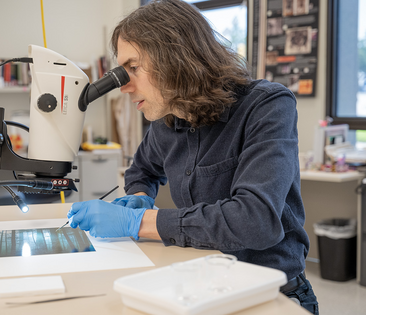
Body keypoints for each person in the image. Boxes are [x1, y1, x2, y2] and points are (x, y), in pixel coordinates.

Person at [67, 0, 319, 313]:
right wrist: (140, 196)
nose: (125, 87)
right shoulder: (167, 119)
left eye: (133, 68)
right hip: (202, 285)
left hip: (271, 295)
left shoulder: (266, 106)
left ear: (176, 57)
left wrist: (140, 222)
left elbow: (255, 220)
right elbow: (141, 170)